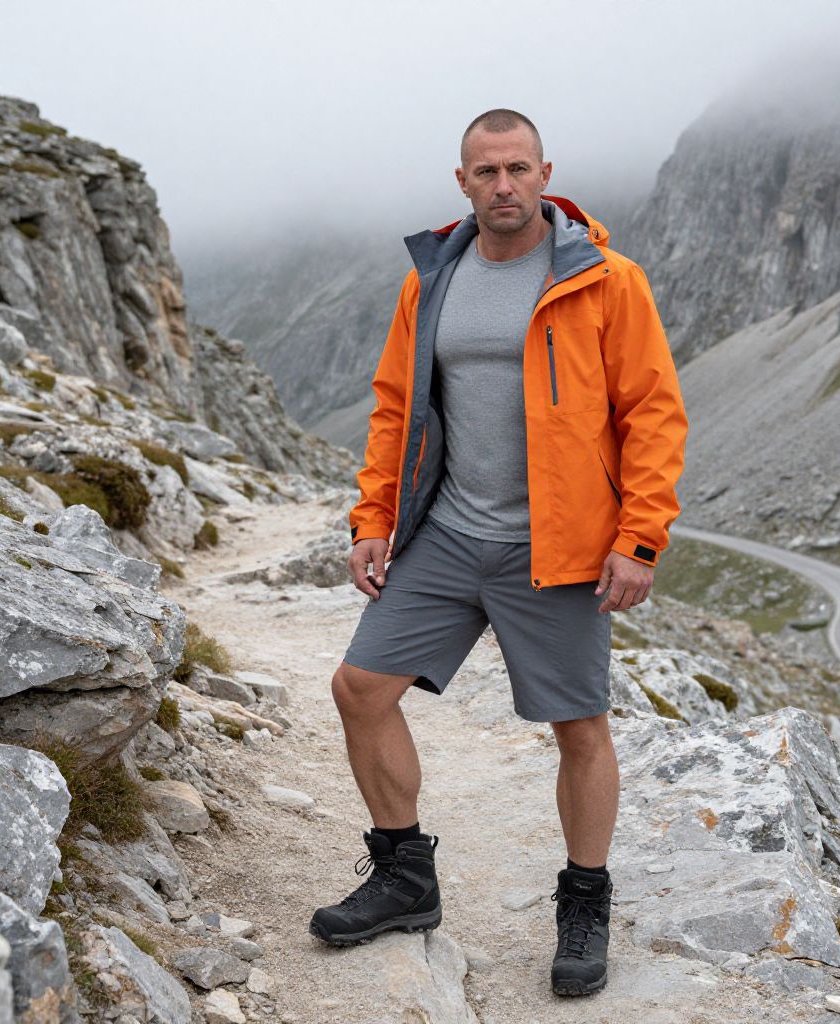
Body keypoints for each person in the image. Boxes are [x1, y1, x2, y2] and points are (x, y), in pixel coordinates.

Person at [310, 108, 688, 998]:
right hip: (446, 532)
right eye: (487, 172)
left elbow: (654, 414)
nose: (505, 185)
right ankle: (405, 877)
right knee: (360, 690)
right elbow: (396, 407)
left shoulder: (606, 281)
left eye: (519, 168)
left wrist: (639, 537)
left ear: (546, 173)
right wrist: (373, 519)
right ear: (463, 182)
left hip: (556, 549)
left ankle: (585, 901)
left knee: (579, 729)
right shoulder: (433, 280)